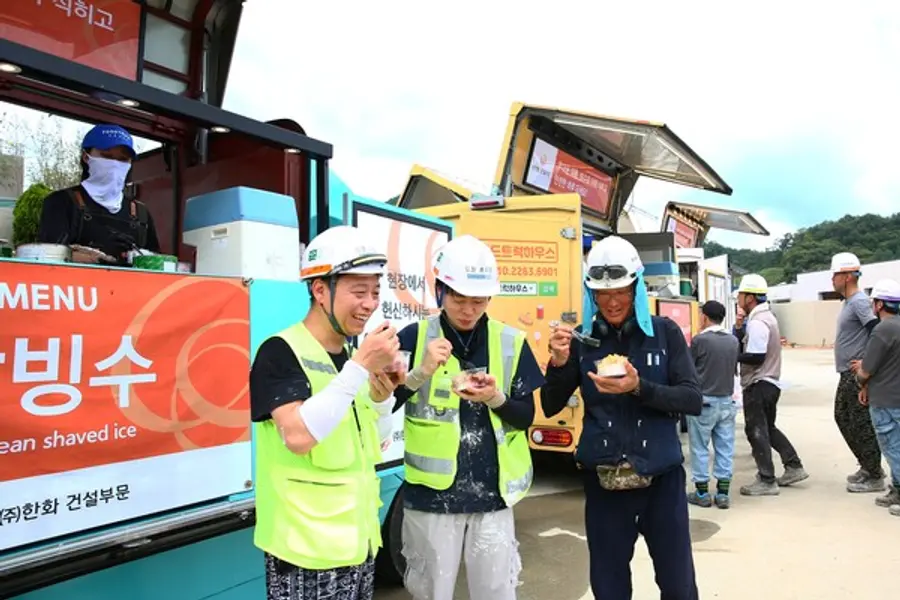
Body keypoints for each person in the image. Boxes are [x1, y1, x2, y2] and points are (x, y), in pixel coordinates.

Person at [542, 235, 702, 600]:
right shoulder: (582, 341)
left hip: (662, 484)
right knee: (609, 587)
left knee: (679, 587)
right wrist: (558, 363)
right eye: (602, 293)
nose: (612, 301)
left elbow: (692, 399)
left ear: (637, 288)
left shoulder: (665, 333)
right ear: (591, 294)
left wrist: (638, 387)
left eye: (621, 291)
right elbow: (551, 405)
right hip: (605, 485)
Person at [249, 225, 402, 600]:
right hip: (305, 553)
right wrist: (359, 368)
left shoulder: (350, 359)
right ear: (320, 290)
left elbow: (374, 444)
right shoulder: (280, 351)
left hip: (356, 546)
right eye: (358, 291)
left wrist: (382, 399)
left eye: (375, 292)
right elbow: (298, 436)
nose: (369, 304)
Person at [393, 234, 544, 600]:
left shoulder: (511, 342)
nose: (468, 310)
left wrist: (494, 398)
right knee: (431, 592)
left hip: (492, 496)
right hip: (430, 496)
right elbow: (384, 402)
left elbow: (526, 416)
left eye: (478, 301)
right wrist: (420, 371)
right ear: (440, 290)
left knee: (495, 592)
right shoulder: (414, 337)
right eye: (459, 299)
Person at [37, 123, 160, 263]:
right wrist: (98, 253)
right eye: (106, 156)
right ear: (86, 157)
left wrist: (139, 256)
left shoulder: (141, 213)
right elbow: (49, 257)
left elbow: (156, 263)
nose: (114, 164)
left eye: (122, 159)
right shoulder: (60, 202)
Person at [733, 274, 808, 496]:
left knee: (755, 430)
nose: (738, 299)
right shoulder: (766, 317)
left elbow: (756, 356)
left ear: (749, 297)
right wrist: (738, 328)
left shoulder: (758, 322)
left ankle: (766, 479)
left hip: (759, 383)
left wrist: (732, 356)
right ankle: (794, 466)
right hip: (770, 382)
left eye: (740, 295)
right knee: (768, 428)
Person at [829, 252, 885, 493]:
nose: (832, 279)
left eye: (835, 275)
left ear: (848, 276)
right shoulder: (848, 302)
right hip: (846, 373)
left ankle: (874, 475)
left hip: (856, 375)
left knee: (860, 422)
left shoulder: (860, 302)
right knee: (843, 417)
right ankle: (868, 465)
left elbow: (878, 331)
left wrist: (865, 362)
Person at [687, 300, 740, 509]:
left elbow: (689, 369)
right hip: (727, 401)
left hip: (704, 401)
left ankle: (702, 493)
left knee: (700, 447)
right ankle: (723, 494)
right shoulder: (733, 341)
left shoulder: (700, 341)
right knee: (725, 447)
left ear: (705, 317)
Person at [855, 279, 900, 517]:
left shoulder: (882, 329)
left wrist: (860, 379)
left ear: (880, 304)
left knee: (893, 447)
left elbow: (867, 369)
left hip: (886, 400)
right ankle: (896, 489)